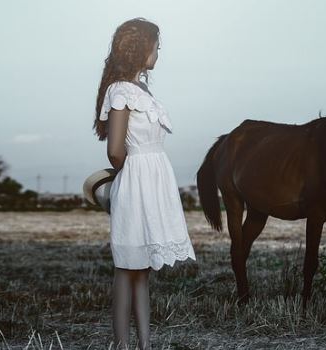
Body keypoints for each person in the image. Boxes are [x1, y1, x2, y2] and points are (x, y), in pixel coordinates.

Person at [92, 18, 197, 350]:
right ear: (140, 47)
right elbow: (114, 150)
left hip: (153, 182)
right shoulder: (120, 90)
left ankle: (146, 345)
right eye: (156, 44)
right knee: (127, 268)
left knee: (143, 270)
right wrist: (132, 179)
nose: (158, 51)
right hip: (136, 182)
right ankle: (122, 345)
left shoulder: (143, 91)